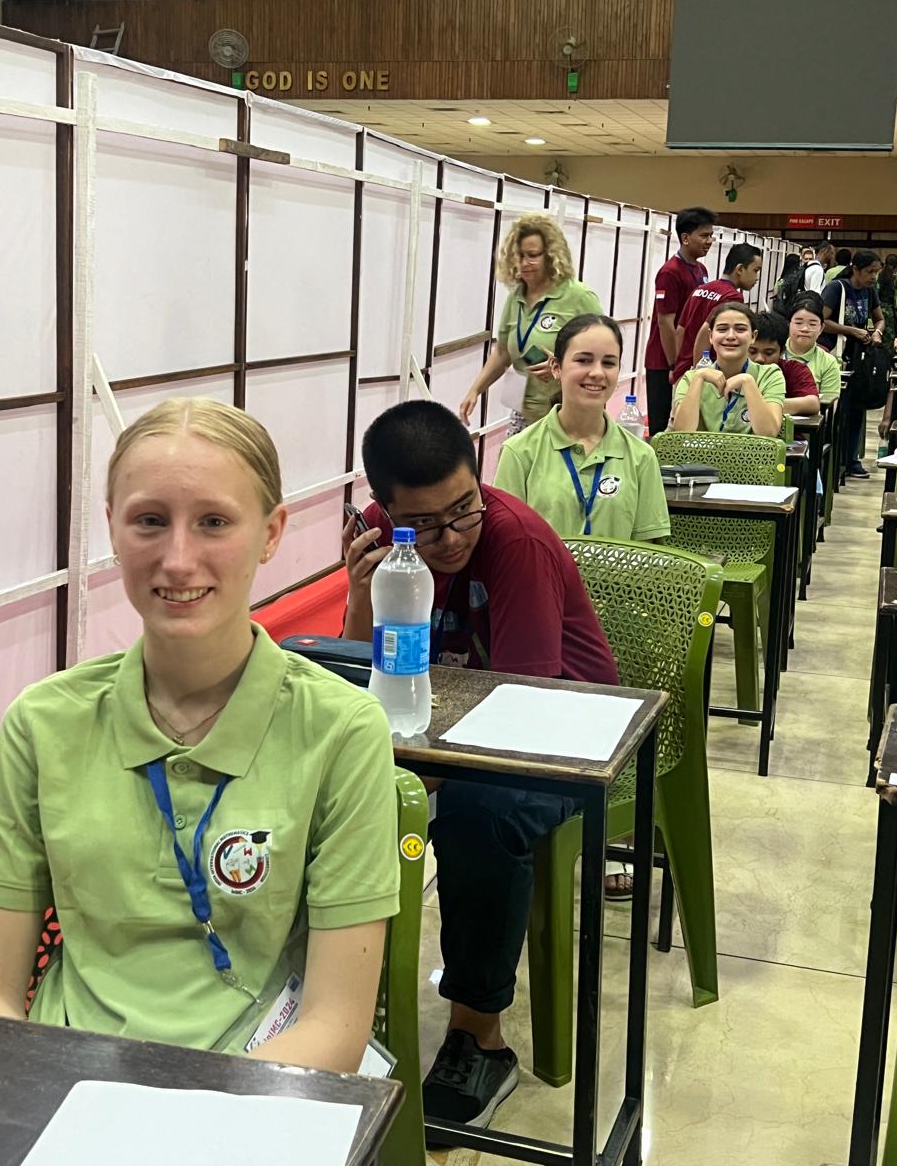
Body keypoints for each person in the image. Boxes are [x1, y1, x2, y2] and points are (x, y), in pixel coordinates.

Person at [0, 399, 399, 1072]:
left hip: (253, 1084)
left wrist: (182, 1120)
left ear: (271, 533)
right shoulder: (43, 724)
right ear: (113, 528)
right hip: (63, 1075)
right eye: (150, 521)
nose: (178, 559)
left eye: (214, 522)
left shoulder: (340, 730)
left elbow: (334, 1027)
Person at [342, 400, 618, 1131]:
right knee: (326, 782)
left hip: (557, 734)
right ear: (386, 510)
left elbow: (520, 715)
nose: (452, 536)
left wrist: (411, 779)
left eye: (464, 508)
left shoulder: (513, 540)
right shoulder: (380, 541)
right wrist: (360, 595)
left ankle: (478, 1036)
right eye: (424, 524)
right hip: (443, 725)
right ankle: (327, 1006)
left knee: (477, 812)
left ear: (478, 478)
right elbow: (357, 671)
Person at [494, 313, 670, 543]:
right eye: (584, 360)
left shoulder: (641, 457)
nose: (597, 373)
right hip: (540, 569)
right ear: (556, 367)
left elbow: (649, 552)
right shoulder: (519, 452)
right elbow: (506, 545)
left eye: (608, 363)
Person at [459, 214, 601, 434]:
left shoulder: (578, 296)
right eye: (520, 256)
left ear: (551, 256)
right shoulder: (516, 297)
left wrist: (561, 366)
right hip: (522, 412)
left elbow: (602, 354)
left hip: (566, 414)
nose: (525, 263)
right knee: (511, 456)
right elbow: (503, 352)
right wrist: (475, 390)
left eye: (533, 255)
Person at [644, 205, 716, 435]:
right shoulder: (670, 272)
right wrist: (674, 364)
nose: (709, 241)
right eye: (704, 235)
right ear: (685, 238)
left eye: (711, 235)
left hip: (686, 359)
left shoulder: (701, 269)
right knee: (662, 427)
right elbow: (666, 322)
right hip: (664, 361)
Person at [672, 301, 785, 436]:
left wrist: (748, 382)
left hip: (751, 451)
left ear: (753, 337)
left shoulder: (770, 375)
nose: (730, 336)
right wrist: (699, 377)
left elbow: (769, 432)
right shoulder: (691, 378)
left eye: (740, 329)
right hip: (702, 450)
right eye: (722, 329)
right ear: (711, 336)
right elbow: (681, 433)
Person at [820, 249, 885, 477]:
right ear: (855, 269)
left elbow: (879, 319)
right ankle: (832, 462)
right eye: (869, 271)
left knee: (857, 408)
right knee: (836, 412)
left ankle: (851, 460)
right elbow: (822, 321)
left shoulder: (870, 291)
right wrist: (851, 330)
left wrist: (877, 332)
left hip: (859, 358)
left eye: (876, 272)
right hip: (835, 357)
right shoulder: (836, 288)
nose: (874, 276)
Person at [672, 242, 763, 383]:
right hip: (707, 375)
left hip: (683, 373)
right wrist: (700, 374)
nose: (756, 278)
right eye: (755, 270)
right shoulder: (732, 296)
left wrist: (678, 366)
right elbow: (704, 333)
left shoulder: (701, 289)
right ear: (740, 269)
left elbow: (680, 330)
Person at [748, 311, 819, 416]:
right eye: (752, 351)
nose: (759, 359)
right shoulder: (733, 367)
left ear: (781, 351)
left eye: (769, 353)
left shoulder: (793, 369)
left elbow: (813, 403)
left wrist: (770, 405)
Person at [784, 291, 842, 399]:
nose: (805, 329)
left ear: (821, 328)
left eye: (812, 324)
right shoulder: (774, 352)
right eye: (798, 323)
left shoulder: (828, 362)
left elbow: (828, 402)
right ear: (789, 324)